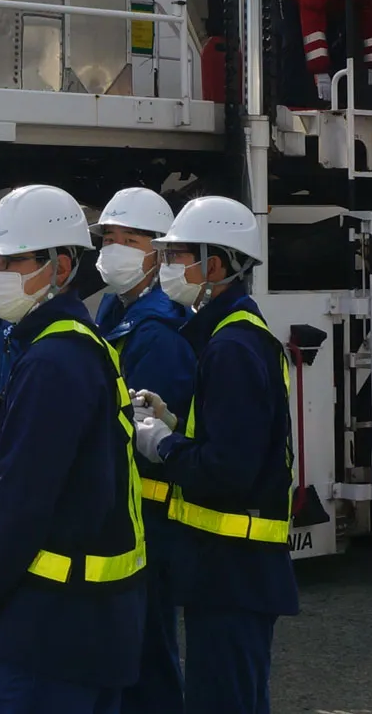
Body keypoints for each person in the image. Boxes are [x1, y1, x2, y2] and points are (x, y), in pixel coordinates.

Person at [0, 184, 147, 714]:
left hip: (50, 627)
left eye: (10, 261)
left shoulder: (52, 361)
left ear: (61, 266)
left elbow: (23, 496)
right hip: (91, 619)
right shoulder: (78, 343)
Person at [131, 197, 297, 714]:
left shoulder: (231, 347)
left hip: (232, 569)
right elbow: (236, 439)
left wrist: (162, 445)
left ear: (217, 264)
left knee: (223, 700)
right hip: (230, 570)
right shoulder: (232, 335)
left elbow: (226, 471)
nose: (168, 267)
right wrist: (178, 425)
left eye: (178, 255)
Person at [91, 188, 192, 714]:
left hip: (148, 514)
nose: (115, 250)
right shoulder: (115, 307)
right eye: (109, 238)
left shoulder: (162, 330)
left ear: (159, 252)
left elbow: (147, 433)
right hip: (122, 507)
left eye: (130, 240)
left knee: (148, 649)